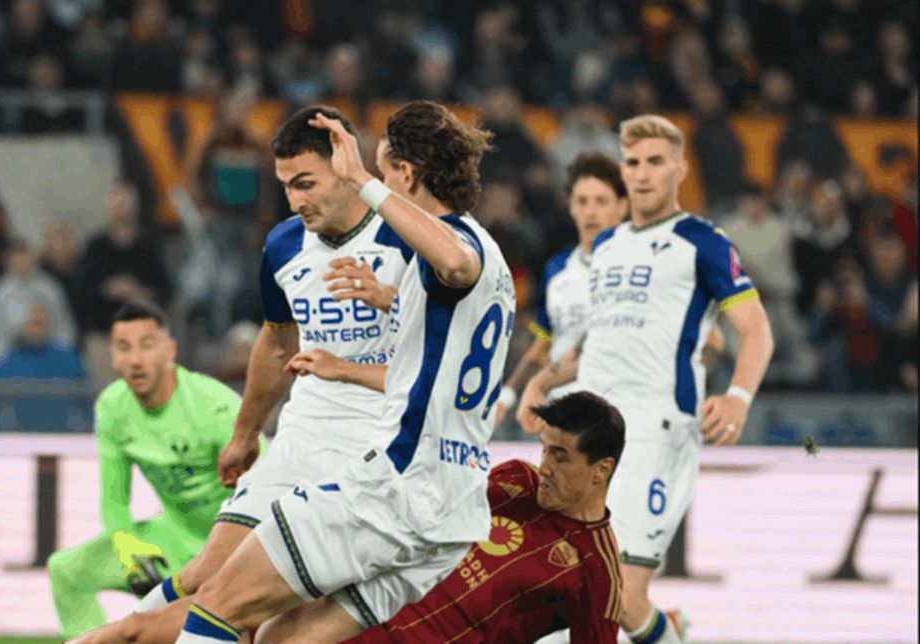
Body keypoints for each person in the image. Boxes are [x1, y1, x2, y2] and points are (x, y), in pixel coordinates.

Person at [176, 101, 514, 642]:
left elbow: (455, 262)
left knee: (217, 604)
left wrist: (358, 178)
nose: (377, 188)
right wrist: (382, 311)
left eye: (383, 173)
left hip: (399, 486)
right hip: (454, 511)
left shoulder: (458, 247)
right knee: (277, 639)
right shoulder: (493, 260)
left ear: (406, 173)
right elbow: (433, 358)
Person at [74, 105, 412, 643]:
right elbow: (278, 342)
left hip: (375, 452)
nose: (296, 200)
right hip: (301, 439)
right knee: (207, 573)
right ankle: (126, 633)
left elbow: (439, 352)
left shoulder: (406, 238)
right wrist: (245, 433)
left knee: (257, 611)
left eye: (306, 183)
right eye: (286, 186)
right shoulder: (284, 246)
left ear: (345, 168)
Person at [519, 115, 775, 644]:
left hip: (655, 430)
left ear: (679, 169)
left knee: (620, 596)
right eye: (632, 162)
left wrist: (737, 396)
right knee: (568, 584)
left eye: (655, 161)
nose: (642, 173)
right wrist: (539, 385)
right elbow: (595, 338)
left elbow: (755, 330)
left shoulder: (702, 241)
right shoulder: (608, 246)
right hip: (590, 433)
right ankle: (670, 631)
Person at [349, 391, 627, 643]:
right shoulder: (515, 477)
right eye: (544, 449)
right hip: (357, 621)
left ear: (602, 469)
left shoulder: (597, 569)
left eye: (561, 457)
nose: (544, 468)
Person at [48, 301, 241, 640]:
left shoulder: (214, 405)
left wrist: (223, 555)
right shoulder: (113, 406)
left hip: (230, 545)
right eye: (124, 347)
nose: (135, 360)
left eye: (146, 346)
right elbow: (114, 497)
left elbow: (265, 488)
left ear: (170, 351)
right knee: (67, 571)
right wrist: (127, 545)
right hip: (172, 540)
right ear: (113, 356)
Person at [497, 153, 721, 426]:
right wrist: (507, 396)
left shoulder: (649, 265)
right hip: (563, 421)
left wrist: (682, 396)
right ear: (571, 206)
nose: (590, 212)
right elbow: (542, 346)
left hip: (627, 421)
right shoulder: (558, 268)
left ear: (623, 206)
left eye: (601, 201)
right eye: (582, 201)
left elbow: (712, 339)